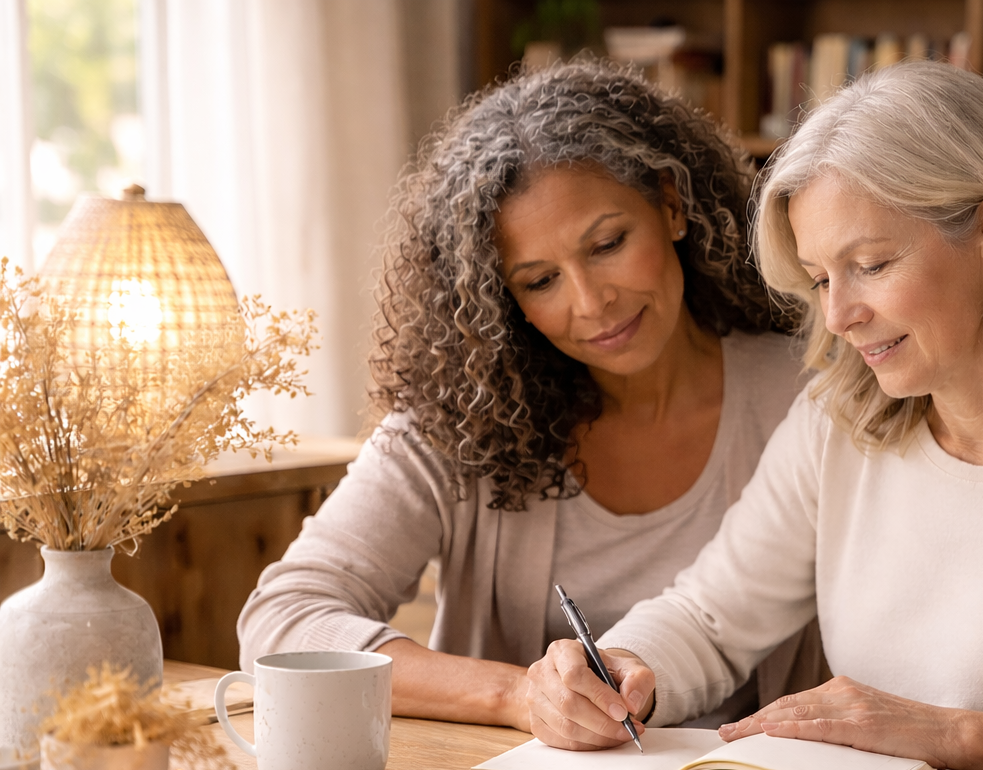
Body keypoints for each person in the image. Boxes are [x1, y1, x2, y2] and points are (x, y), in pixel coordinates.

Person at [522, 60, 983, 770]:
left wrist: (951, 736)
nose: (838, 316)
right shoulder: (840, 422)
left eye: (871, 264)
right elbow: (710, 617)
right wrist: (621, 667)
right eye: (822, 278)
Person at [238, 60, 816, 730]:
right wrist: (518, 697)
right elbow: (282, 621)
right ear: (501, 299)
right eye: (540, 280)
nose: (591, 301)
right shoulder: (463, 421)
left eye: (607, 244)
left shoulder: (807, 394)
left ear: (671, 204)